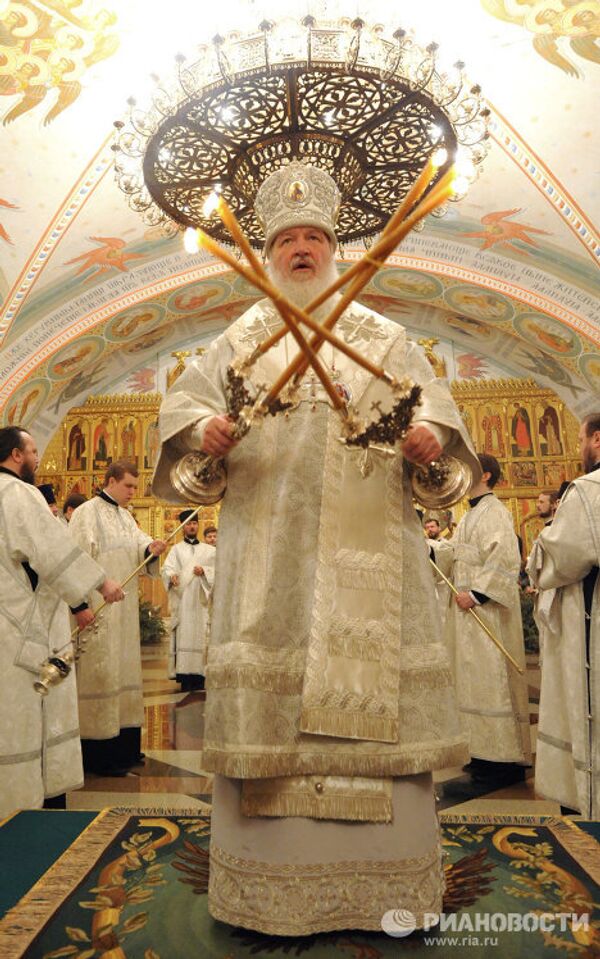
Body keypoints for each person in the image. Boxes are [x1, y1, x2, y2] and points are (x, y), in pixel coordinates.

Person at [153, 160, 481, 935]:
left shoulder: (387, 339)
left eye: (315, 237)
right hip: (266, 571)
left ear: (337, 251)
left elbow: (442, 455)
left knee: (373, 708)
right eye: (288, 239)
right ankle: (268, 894)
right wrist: (206, 432)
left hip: (371, 566)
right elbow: (185, 434)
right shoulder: (238, 340)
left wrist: (427, 443)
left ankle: (385, 895)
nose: (302, 248)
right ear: (266, 254)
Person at [0, 426, 124, 818]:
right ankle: (17, 807)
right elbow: (50, 549)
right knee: (19, 713)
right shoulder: (17, 493)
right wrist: (99, 583)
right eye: (34, 450)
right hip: (17, 626)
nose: (38, 459)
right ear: (16, 455)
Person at [68, 460, 166, 774]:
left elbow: (139, 545)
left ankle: (124, 749)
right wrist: (80, 604)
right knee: (101, 674)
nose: (133, 493)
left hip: (123, 612)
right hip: (99, 609)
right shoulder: (87, 513)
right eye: (129, 486)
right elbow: (76, 558)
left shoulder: (125, 516)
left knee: (124, 673)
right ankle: (100, 754)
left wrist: (151, 547)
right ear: (111, 480)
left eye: (136, 487)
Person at [444, 453, 531, 798]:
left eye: (470, 471)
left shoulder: (494, 512)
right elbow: (454, 551)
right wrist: (430, 551)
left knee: (490, 685)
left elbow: (505, 560)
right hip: (470, 622)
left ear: (487, 475)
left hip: (487, 615)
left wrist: (478, 594)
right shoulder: (470, 515)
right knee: (473, 686)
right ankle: (481, 756)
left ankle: (500, 764)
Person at [527, 413, 600, 817]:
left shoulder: (588, 490)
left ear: (597, 440)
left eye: (579, 440)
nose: (578, 450)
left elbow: (564, 555)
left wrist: (536, 558)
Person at [162, 510, 216, 692]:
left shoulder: (209, 551)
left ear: (198, 525)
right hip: (184, 601)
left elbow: (218, 571)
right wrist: (171, 577)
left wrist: (206, 572)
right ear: (182, 527)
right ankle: (184, 675)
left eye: (194, 523)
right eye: (188, 524)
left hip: (201, 601)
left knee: (201, 634)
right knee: (185, 633)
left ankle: (201, 675)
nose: (191, 526)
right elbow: (167, 569)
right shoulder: (176, 550)